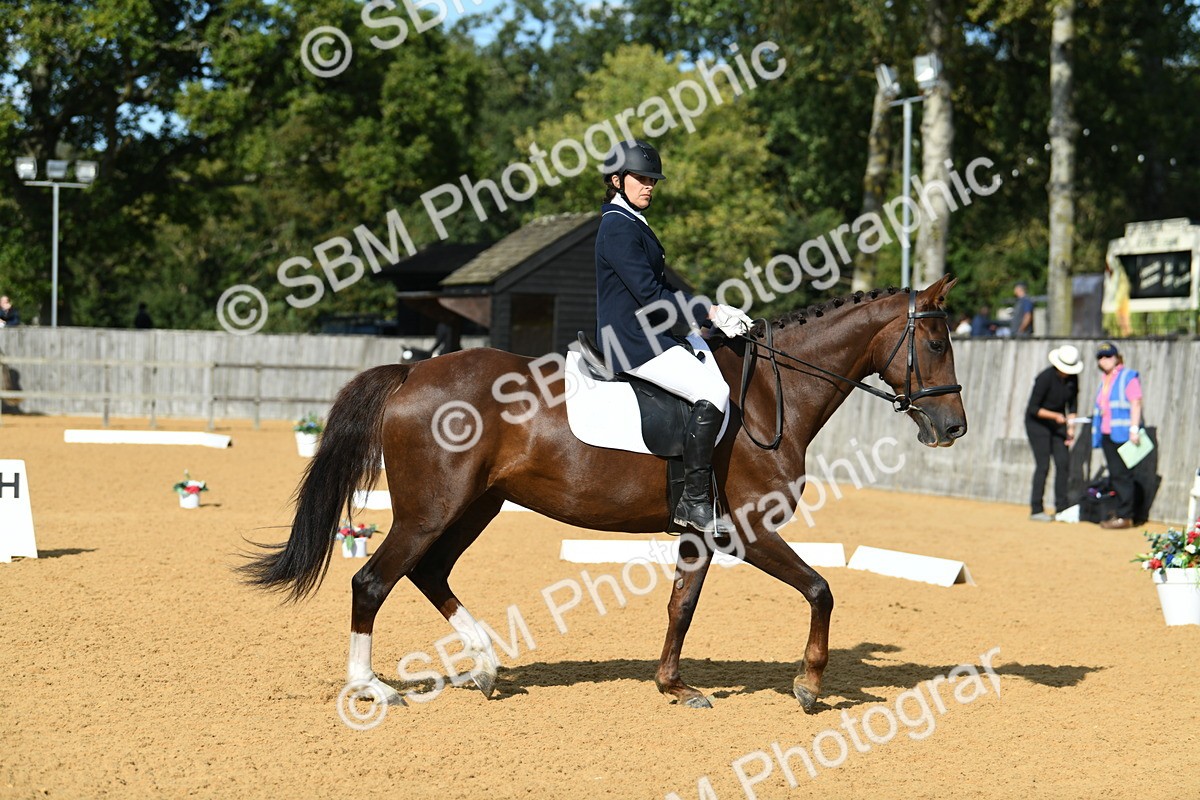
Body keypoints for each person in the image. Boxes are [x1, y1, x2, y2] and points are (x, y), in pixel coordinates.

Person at [594, 139, 752, 536]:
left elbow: (656, 291)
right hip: (631, 340)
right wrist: (711, 310)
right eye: (641, 178)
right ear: (616, 180)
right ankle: (694, 502)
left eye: (652, 180)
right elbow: (650, 294)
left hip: (653, 331)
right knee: (714, 393)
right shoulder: (616, 227)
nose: (649, 186)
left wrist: (696, 327)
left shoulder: (632, 222)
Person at [1025, 345, 1082, 521]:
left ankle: (1062, 508)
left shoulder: (1073, 379)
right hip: (1038, 424)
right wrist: (1055, 416)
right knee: (1043, 465)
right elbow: (1033, 408)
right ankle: (1036, 509)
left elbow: (1072, 405)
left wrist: (1071, 428)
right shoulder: (1045, 378)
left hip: (1059, 425)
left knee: (1063, 463)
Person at [1091, 342, 1144, 529]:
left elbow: (1136, 402)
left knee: (1123, 475)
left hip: (1123, 434)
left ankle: (1126, 516)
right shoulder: (1106, 379)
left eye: (1108, 356)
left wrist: (1134, 429)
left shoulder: (1127, 376)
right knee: (1115, 475)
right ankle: (1121, 511)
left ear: (1116, 357)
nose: (1104, 360)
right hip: (1107, 433)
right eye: (1101, 357)